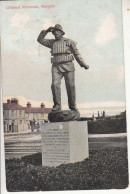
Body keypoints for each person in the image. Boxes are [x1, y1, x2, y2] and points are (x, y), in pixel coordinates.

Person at [37, 24, 89, 112]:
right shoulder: (52, 43)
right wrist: (46, 31)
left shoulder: (69, 42)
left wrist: (82, 63)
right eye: (53, 32)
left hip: (68, 65)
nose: (55, 33)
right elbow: (40, 40)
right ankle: (57, 106)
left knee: (70, 86)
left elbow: (76, 53)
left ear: (61, 32)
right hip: (56, 66)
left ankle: (72, 106)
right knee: (54, 85)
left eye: (57, 31)